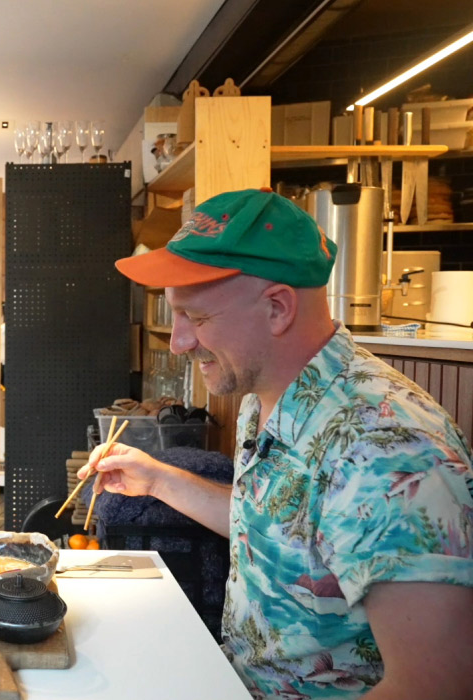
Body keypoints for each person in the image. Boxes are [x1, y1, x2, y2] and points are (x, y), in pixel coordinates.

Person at [84, 188, 473, 699]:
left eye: (196, 318)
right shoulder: (267, 395)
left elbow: (436, 686)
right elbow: (278, 526)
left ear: (277, 309)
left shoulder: (389, 449)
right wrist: (158, 478)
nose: (179, 341)